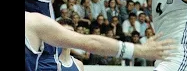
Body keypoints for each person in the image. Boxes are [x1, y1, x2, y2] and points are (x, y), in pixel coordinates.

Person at [25, 11, 175, 71]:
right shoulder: (42, 61)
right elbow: (90, 43)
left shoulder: (78, 65)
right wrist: (139, 50)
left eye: (69, 33)